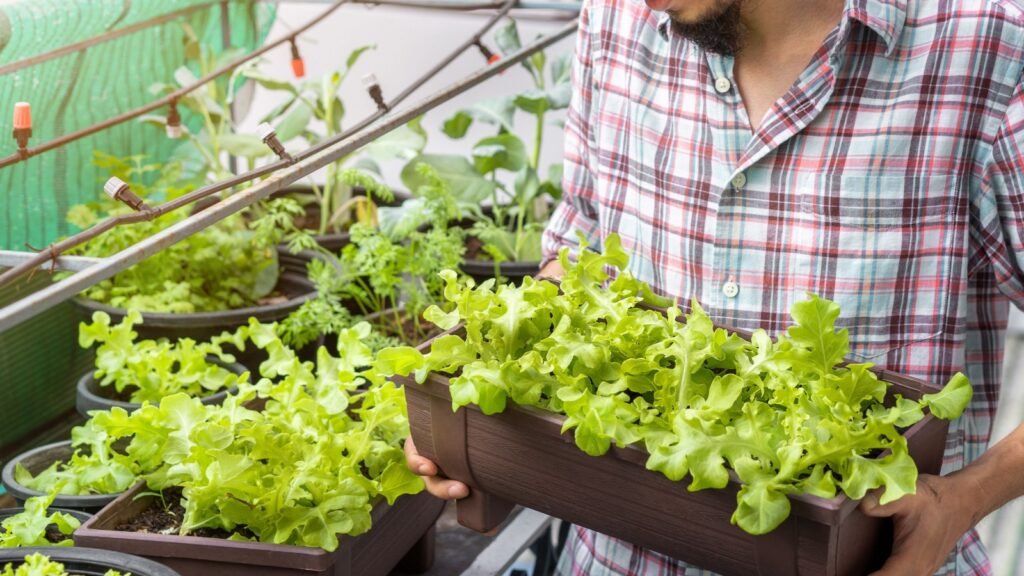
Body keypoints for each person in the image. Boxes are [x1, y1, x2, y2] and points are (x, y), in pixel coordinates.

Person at [404, 0, 1024, 573]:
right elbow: (578, 257)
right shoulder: (616, 18)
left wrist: (962, 499)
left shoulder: (989, 49)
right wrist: (467, 404)